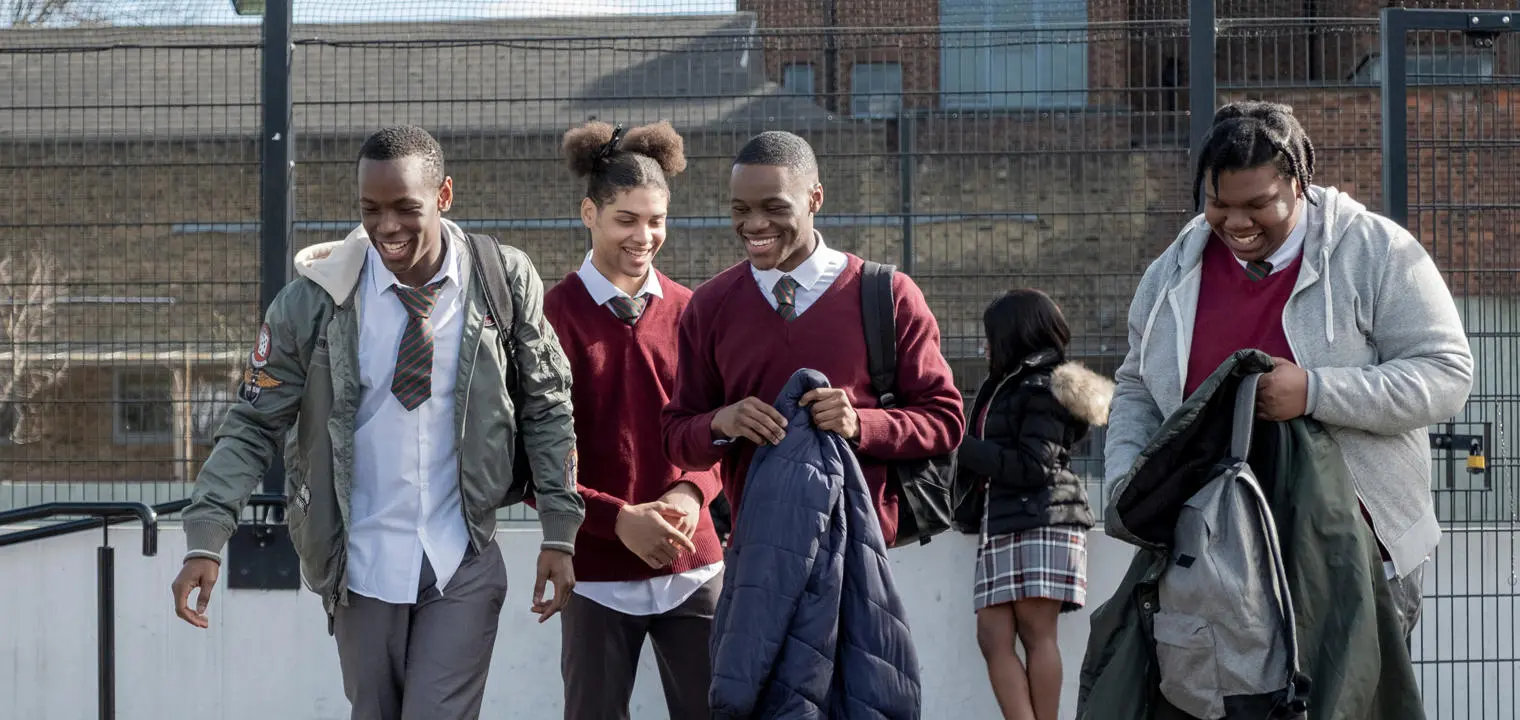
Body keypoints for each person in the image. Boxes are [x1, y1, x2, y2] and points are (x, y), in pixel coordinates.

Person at [170, 125, 585, 720]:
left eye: (404, 208)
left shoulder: (500, 280)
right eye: (370, 209)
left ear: (444, 196)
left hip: (461, 555)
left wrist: (559, 526)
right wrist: (206, 539)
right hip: (358, 564)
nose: (386, 226)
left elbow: (548, 403)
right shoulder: (313, 302)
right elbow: (253, 423)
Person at [1104, 100, 1474, 644]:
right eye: (1217, 203)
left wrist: (1314, 391)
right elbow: (1136, 383)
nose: (1235, 222)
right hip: (1218, 566)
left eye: (1258, 204)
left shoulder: (1376, 251)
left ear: (1299, 185)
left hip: (1358, 558)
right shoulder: (1172, 273)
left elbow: (1447, 374)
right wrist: (1122, 482)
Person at [660, 129, 964, 551]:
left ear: (815, 198)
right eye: (740, 209)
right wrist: (721, 422)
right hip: (758, 549)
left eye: (774, 207)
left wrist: (861, 423)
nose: (754, 224)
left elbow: (945, 421)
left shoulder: (887, 295)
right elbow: (676, 436)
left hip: (859, 548)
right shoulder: (709, 306)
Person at [542, 119, 724, 720]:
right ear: (589, 213)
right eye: (627, 219)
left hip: (695, 569)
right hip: (594, 576)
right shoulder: (547, 317)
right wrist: (616, 519)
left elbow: (718, 430)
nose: (644, 236)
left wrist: (692, 492)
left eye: (657, 220)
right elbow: (531, 457)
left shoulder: (695, 311)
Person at [956, 289, 1111, 720]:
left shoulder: (1044, 387)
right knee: (992, 635)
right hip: (1006, 518)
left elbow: (1032, 468)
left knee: (1037, 632)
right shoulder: (1007, 385)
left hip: (1044, 517)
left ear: (1013, 334)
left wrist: (960, 448)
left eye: (990, 337)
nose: (985, 347)